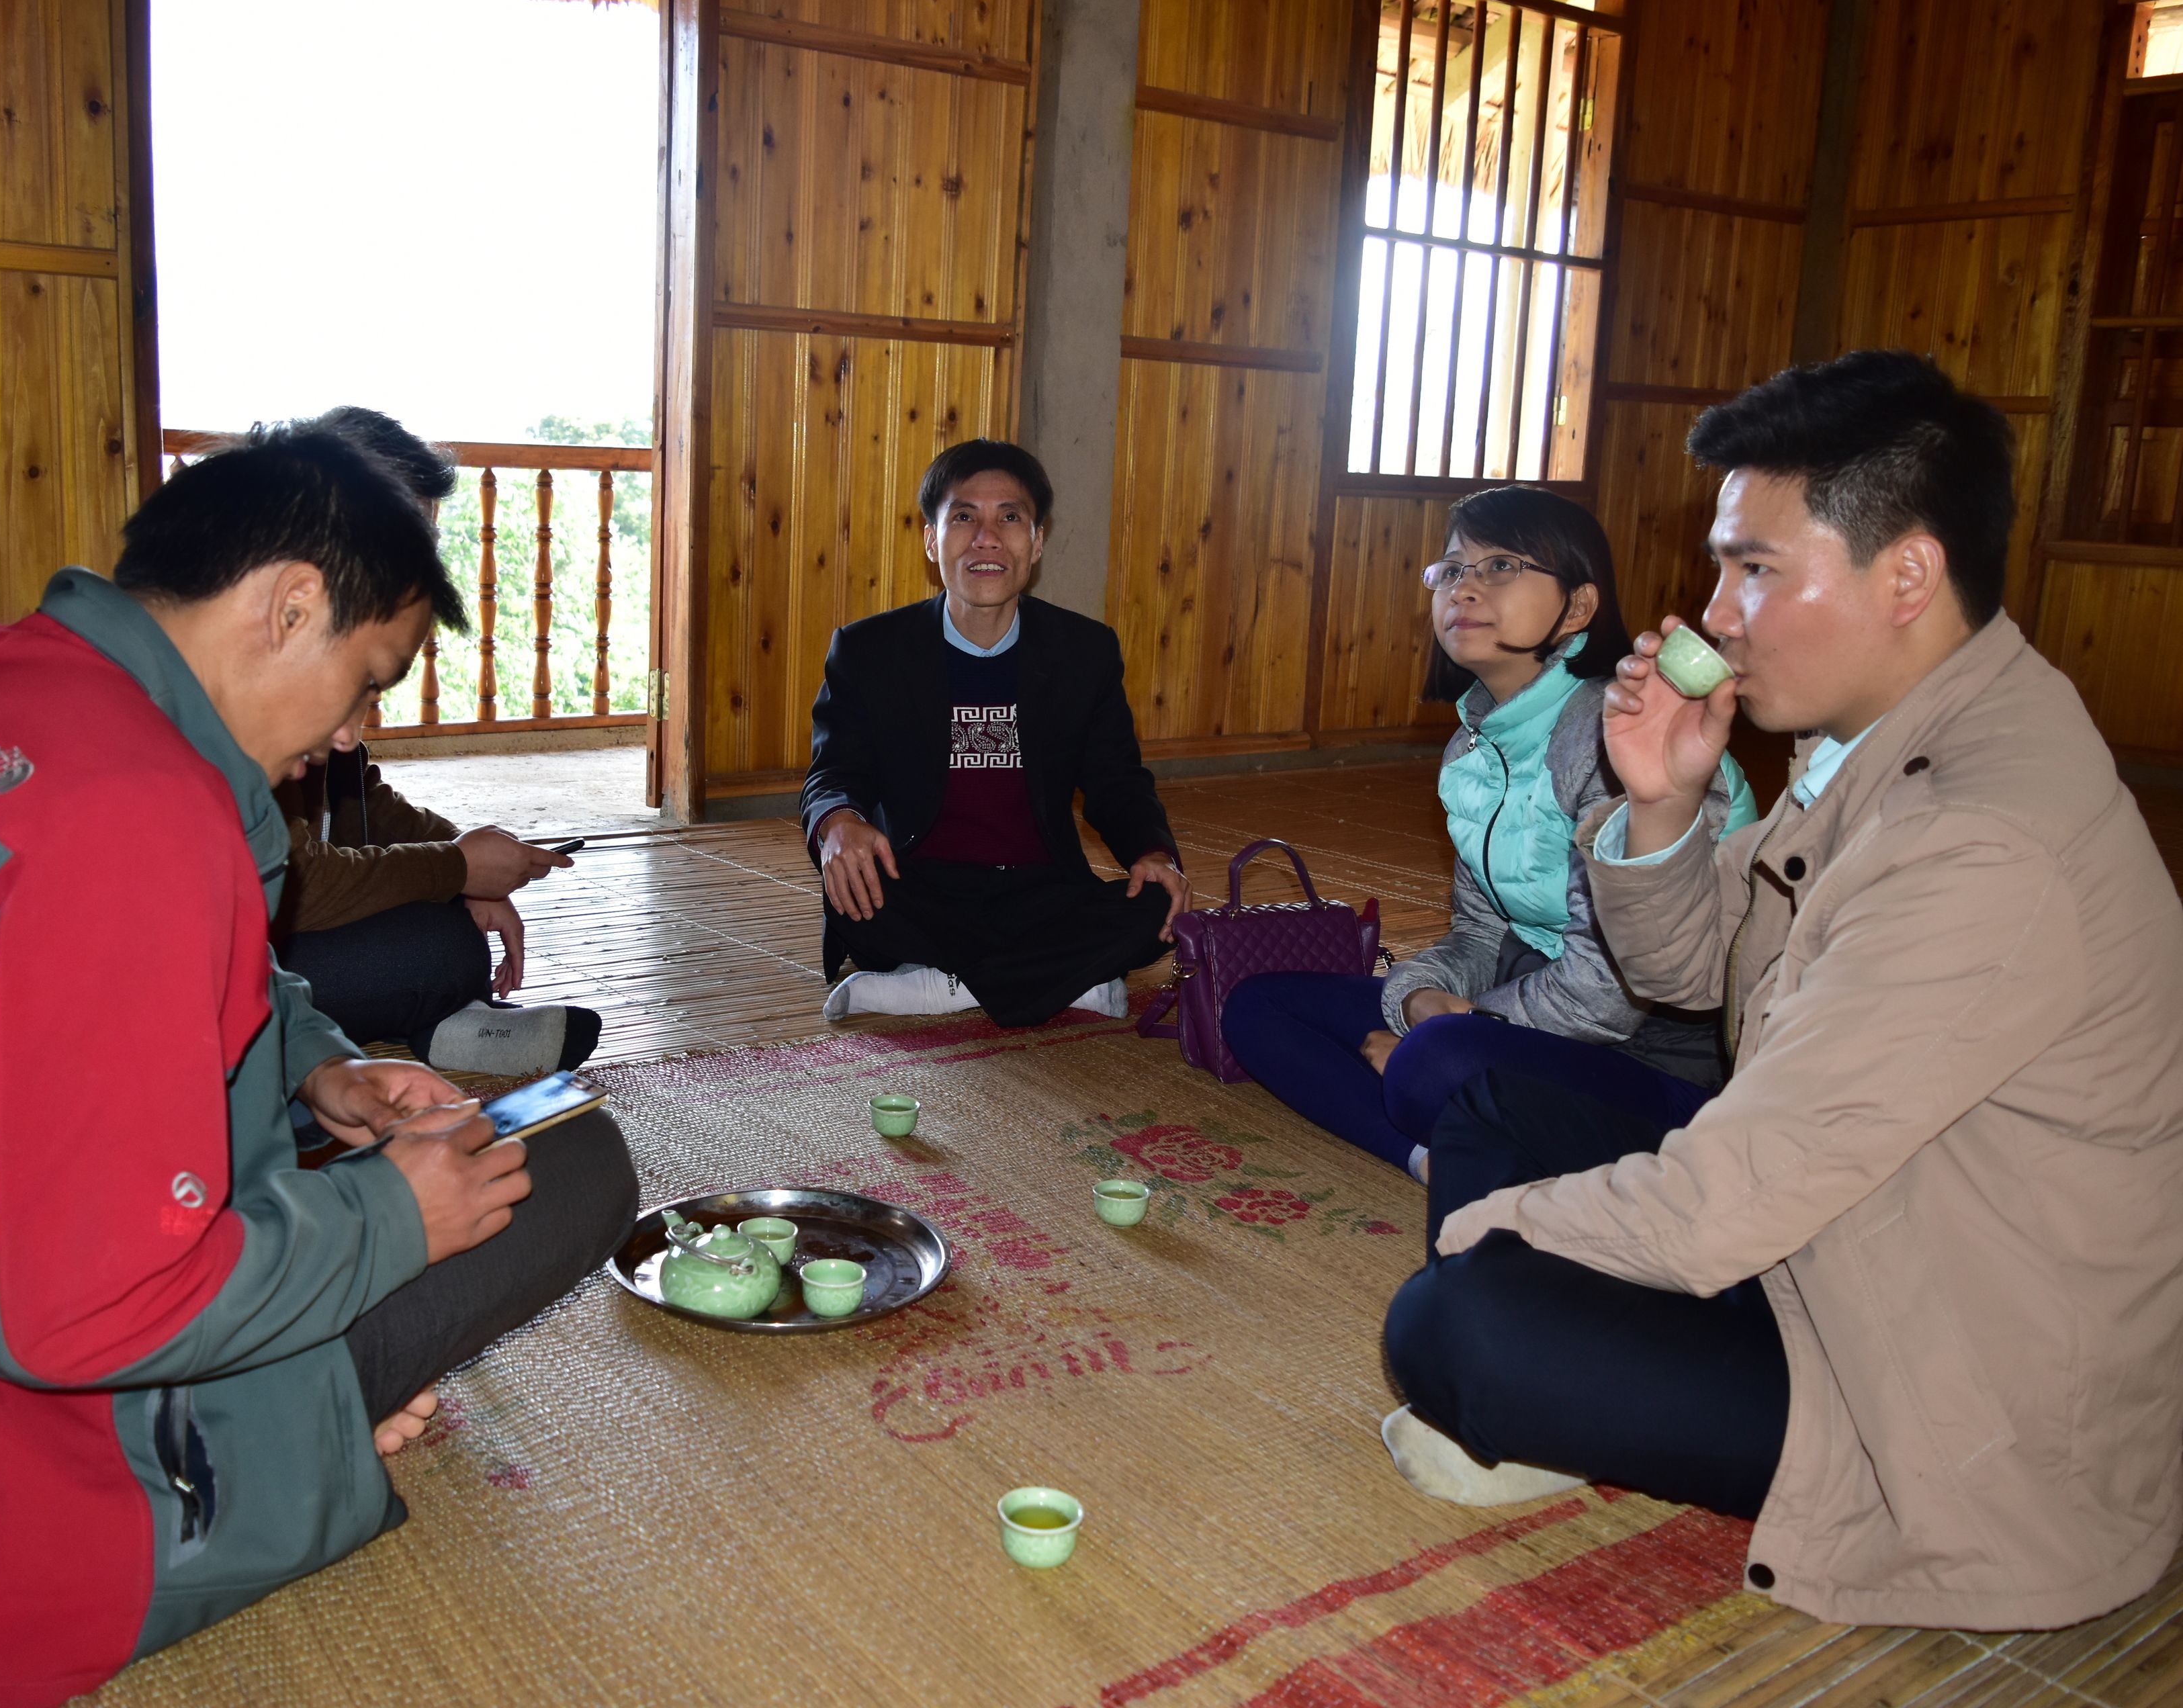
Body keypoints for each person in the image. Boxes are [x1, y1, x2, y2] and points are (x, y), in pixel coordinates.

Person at [0, 428, 640, 1705]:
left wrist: (319, 1067)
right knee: (572, 1159)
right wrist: (390, 1220)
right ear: (290, 605)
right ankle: (284, 1437)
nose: (353, 731)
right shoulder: (135, 810)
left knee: (391, 1152)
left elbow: (84, 1003)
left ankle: (306, 1378)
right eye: (366, 681)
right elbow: (82, 1313)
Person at [1379, 352, 2183, 1631]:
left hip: (1944, 1382)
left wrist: (1500, 1229)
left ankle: (1543, 1392)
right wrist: (1665, 805)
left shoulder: (1982, 836)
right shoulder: (1871, 747)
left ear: (1907, 575)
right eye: (1722, 569)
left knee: (1455, 1322)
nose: (1716, 616)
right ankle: (1559, 1392)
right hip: (1848, 1234)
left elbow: (1721, 1203)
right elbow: (1694, 971)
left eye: (1754, 569)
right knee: (1488, 1103)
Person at [1221, 488, 1755, 1179]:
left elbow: (1613, 994)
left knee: (1435, 1062)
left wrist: (1465, 1023)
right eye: (1450, 570)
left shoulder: (1627, 733)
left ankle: (1469, 1116)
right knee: (1258, 1004)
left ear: (1578, 608)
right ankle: (1431, 1157)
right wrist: (1419, 997)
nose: (1464, 588)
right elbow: (1479, 932)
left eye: (1501, 566)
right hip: (1528, 1001)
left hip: (1666, 1054)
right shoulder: (1471, 751)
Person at [259, 407, 599, 1080]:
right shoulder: (256, 676)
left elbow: (365, 799)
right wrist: (455, 868)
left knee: (443, 918)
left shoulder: (321, 653)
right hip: (231, 970)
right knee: (437, 944)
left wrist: (467, 862)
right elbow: (297, 882)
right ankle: (437, 1021)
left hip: (279, 955)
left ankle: (450, 1026)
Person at [803, 438, 1188, 1028]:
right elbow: (833, 772)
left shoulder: (1083, 651)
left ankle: (940, 986)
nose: (987, 538)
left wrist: (1153, 852)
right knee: (856, 896)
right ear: (932, 541)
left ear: (1037, 542)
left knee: (1159, 903)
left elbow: (1117, 781)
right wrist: (837, 823)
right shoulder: (869, 650)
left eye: (1009, 518)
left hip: (1042, 890)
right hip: (918, 884)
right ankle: (1064, 984)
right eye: (964, 517)